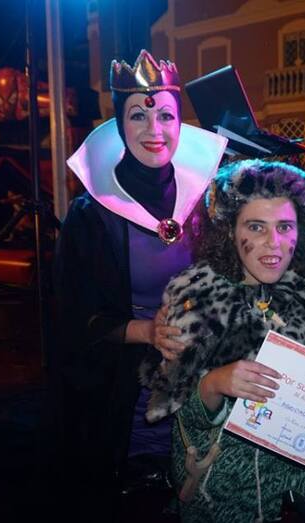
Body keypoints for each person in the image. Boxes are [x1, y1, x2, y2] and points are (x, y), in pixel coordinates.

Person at [141, 160, 305, 522]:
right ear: (229, 230)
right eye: (256, 227)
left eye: (285, 227)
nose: (273, 243)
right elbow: (185, 420)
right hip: (226, 465)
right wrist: (214, 383)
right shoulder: (195, 296)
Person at [50, 49, 226, 519]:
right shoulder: (91, 217)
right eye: (138, 116)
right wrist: (147, 332)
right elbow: (73, 319)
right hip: (124, 384)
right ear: (119, 125)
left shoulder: (208, 200)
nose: (155, 130)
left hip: (202, 370)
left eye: (166, 115)